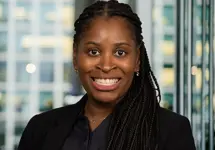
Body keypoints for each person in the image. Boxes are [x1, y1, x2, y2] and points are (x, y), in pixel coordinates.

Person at [18, 0, 196, 150]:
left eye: (120, 53)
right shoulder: (40, 128)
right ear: (75, 57)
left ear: (137, 61)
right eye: (93, 52)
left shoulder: (171, 131)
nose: (105, 65)